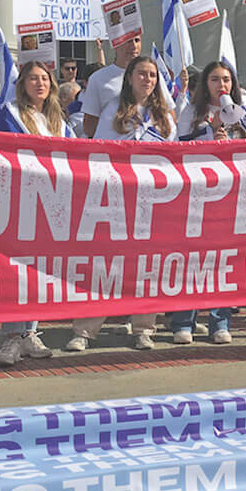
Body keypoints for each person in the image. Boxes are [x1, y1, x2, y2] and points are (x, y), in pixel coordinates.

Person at [65, 56, 175, 352]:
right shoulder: (113, 111)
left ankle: (143, 328)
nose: (148, 80)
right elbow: (101, 154)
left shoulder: (163, 116)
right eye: (142, 74)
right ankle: (85, 330)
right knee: (103, 265)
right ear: (129, 78)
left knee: (147, 267)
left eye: (153, 75)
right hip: (115, 199)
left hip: (151, 201)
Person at [0, 60, 71, 366]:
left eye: (44, 79)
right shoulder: (9, 113)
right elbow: (4, 153)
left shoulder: (58, 121)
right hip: (18, 199)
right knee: (15, 268)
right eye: (33, 79)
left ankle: (30, 332)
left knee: (39, 269)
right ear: (22, 83)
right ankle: (11, 337)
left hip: (49, 201)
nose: (40, 84)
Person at [171, 60, 239, 344]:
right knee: (191, 260)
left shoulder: (239, 113)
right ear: (205, 84)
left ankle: (220, 322)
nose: (221, 85)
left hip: (229, 194)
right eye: (215, 79)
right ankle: (184, 322)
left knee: (223, 261)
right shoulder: (191, 113)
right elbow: (178, 149)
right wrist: (209, 135)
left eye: (226, 80)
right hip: (197, 194)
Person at [81, 36, 141, 138]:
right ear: (116, 44)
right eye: (128, 41)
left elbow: (167, 113)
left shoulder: (153, 76)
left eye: (137, 40)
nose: (134, 46)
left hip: (146, 150)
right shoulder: (98, 78)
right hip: (112, 149)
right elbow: (90, 127)